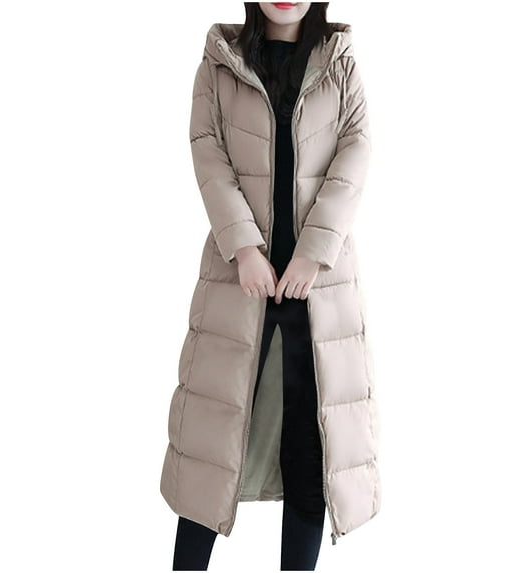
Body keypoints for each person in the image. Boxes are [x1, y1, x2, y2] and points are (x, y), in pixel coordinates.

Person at [167, 3, 377, 570]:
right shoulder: (220, 59)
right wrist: (243, 248)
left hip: (319, 292)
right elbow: (207, 151)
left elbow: (355, 154)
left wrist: (312, 255)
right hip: (238, 287)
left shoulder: (339, 61)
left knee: (312, 458)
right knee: (210, 457)